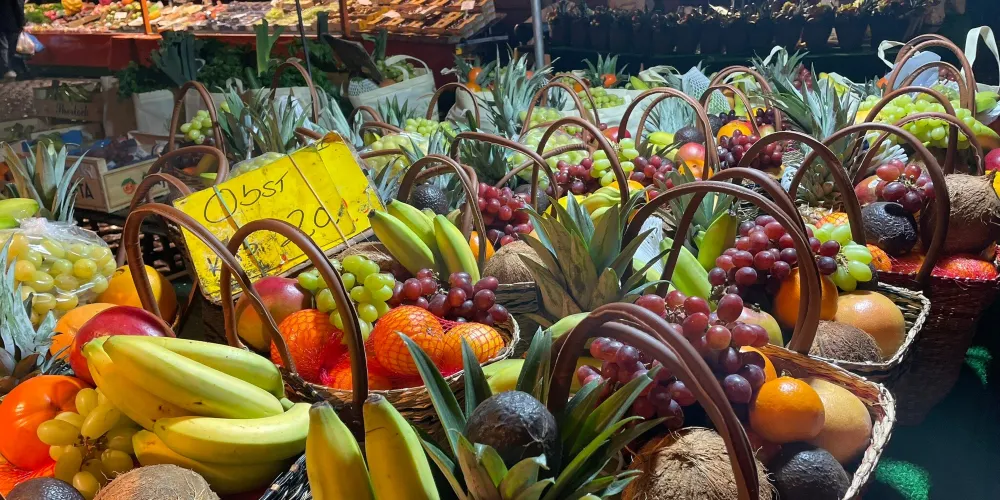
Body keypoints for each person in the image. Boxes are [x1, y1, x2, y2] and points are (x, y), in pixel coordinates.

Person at [0, 0, 26, 79]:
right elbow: (18, 8)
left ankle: (6, 69)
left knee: (4, 47)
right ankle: (7, 69)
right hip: (11, 23)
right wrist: (22, 23)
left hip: (7, 23)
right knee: (8, 47)